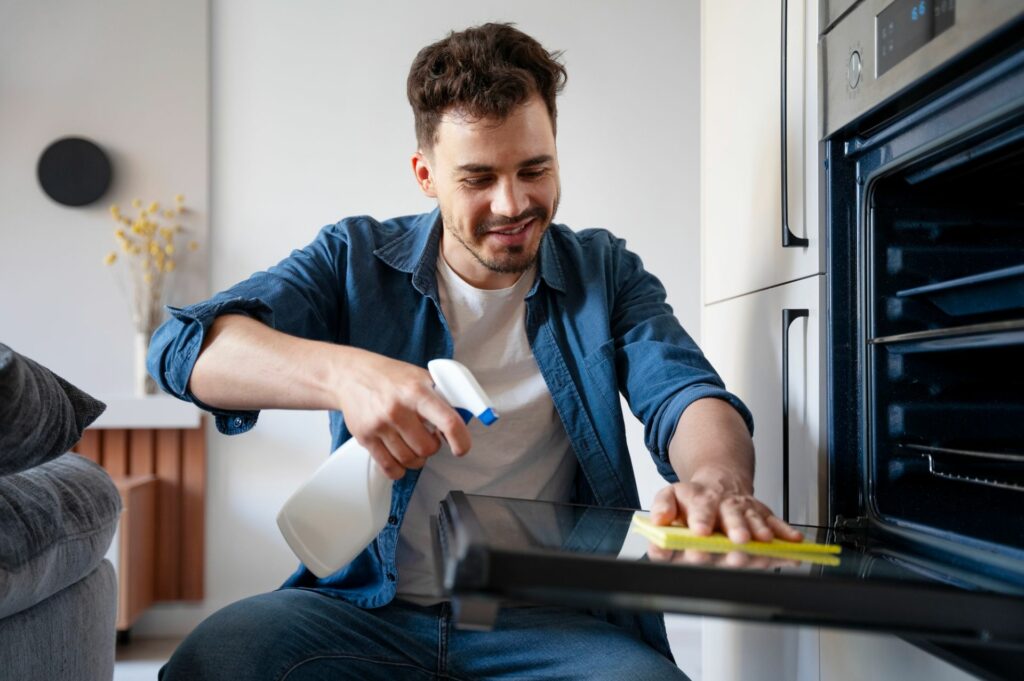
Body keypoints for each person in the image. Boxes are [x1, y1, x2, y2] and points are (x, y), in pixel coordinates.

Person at [150, 22, 802, 681]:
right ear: (425, 174)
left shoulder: (604, 272)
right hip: (367, 613)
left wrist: (718, 480)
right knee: (217, 660)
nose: (512, 203)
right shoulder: (352, 258)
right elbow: (183, 349)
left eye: (534, 169)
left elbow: (684, 392)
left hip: (548, 619)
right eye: (478, 177)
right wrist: (345, 375)